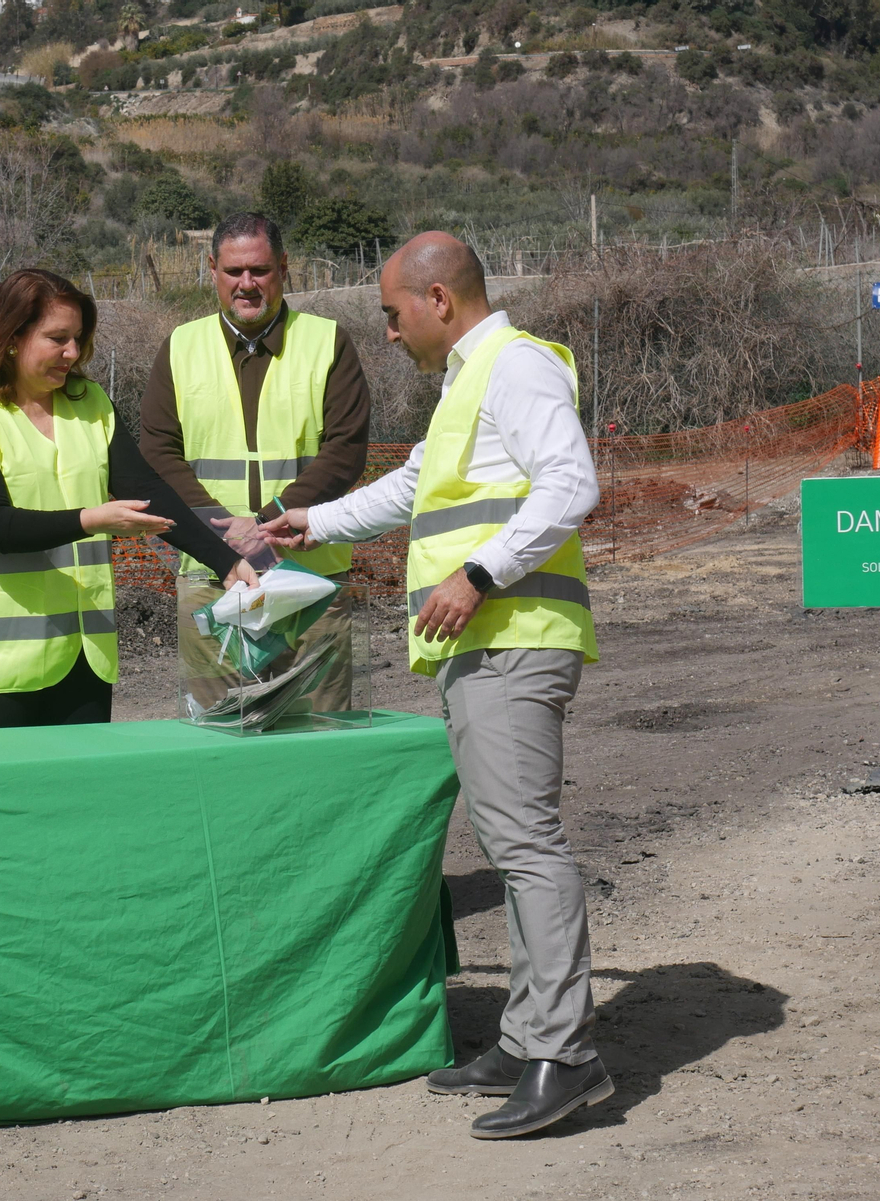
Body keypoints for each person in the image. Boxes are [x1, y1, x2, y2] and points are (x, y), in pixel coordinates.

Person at [259, 232, 608, 1140]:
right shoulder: (469, 379)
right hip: (486, 644)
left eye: (392, 312)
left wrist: (480, 574)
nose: (388, 331)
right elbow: (415, 487)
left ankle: (564, 1055)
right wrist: (311, 521)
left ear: (439, 299)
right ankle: (527, 1038)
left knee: (527, 845)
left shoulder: (515, 366)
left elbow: (571, 484)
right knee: (512, 841)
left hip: (511, 637)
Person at [0, 267, 258, 730]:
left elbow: (147, 491)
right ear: (12, 338)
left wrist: (225, 561)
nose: (73, 353)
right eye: (57, 338)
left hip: (80, 659)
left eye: (78, 338)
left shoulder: (91, 403)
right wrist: (91, 520)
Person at [139, 212, 369, 711]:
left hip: (310, 579)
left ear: (283, 267)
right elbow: (157, 453)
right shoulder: (180, 347)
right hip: (211, 577)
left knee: (320, 734)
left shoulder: (328, 342)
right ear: (212, 270)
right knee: (218, 734)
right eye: (233, 271)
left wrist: (266, 523)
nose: (246, 283)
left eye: (260, 270)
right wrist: (224, 535)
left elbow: (346, 450)